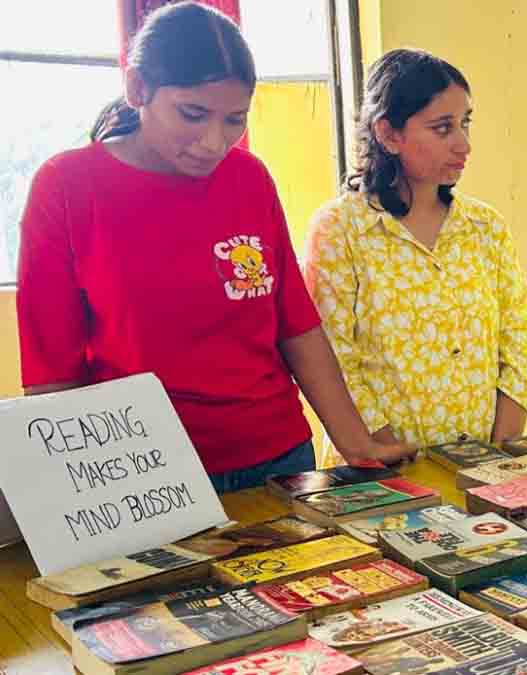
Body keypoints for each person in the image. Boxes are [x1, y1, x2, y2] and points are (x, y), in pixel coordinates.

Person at [16, 2, 411, 494]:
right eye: (193, 114)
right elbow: (52, 370)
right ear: (138, 87)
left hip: (279, 459)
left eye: (234, 120)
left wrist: (356, 443)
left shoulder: (249, 180)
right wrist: (72, 496)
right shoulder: (68, 187)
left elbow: (297, 326)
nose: (213, 142)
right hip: (144, 475)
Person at [303, 49, 527, 459]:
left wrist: (500, 452)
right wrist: (390, 452)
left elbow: (517, 342)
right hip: (378, 474)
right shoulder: (342, 230)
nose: (463, 144)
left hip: (481, 465)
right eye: (442, 128)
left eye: (465, 124)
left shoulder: (485, 228)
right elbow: (334, 358)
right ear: (389, 134)